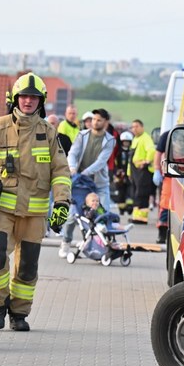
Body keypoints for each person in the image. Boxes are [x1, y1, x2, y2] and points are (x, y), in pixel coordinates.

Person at [0, 73, 70, 332]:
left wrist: (61, 202)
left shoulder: (49, 132)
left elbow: (61, 171)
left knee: (27, 267)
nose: (28, 101)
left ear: (41, 101)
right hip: (0, 211)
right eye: (24, 96)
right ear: (14, 98)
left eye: (34, 97)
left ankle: (18, 314)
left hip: (34, 214)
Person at [65, 108, 116, 257]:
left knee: (103, 213)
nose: (95, 122)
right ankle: (66, 242)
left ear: (106, 122)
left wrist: (84, 173)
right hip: (80, 184)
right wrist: (72, 167)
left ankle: (106, 247)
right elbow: (73, 153)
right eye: (94, 119)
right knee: (73, 215)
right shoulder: (82, 135)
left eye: (99, 120)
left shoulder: (110, 140)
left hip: (99, 184)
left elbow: (101, 162)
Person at [129, 119, 157, 225]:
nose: (134, 129)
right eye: (133, 127)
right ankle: (136, 216)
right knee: (136, 194)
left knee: (142, 193)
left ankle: (142, 218)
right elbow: (130, 158)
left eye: (136, 126)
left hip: (143, 171)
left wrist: (146, 161)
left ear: (142, 127)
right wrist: (129, 172)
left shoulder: (145, 138)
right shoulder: (135, 139)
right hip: (135, 171)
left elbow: (151, 151)